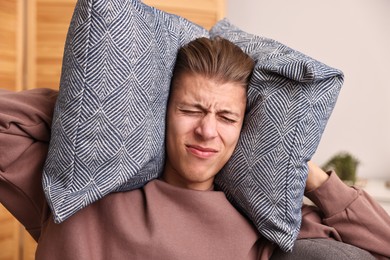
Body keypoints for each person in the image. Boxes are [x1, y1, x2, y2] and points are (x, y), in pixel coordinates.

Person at [0, 37, 390, 260]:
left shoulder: (261, 224)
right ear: (160, 112)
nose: (206, 131)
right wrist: (96, 108)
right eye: (190, 110)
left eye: (226, 118)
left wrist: (307, 173)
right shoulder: (78, 188)